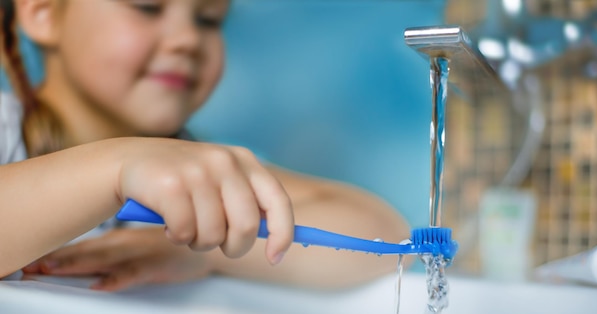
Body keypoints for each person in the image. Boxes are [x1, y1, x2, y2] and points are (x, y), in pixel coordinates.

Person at [1, 0, 411, 291]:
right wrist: (118, 165)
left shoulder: (199, 168)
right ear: (43, 13)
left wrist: (209, 253)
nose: (187, 40)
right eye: (147, 7)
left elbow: (384, 234)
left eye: (209, 19)